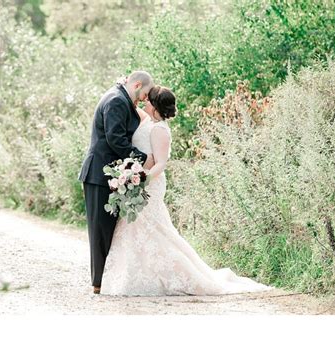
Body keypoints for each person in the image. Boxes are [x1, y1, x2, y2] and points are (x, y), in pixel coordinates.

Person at [100, 86, 273, 296]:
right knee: (138, 227)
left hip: (150, 184)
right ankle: (131, 274)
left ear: (154, 106)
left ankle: (168, 275)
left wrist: (141, 179)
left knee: (152, 228)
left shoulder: (159, 130)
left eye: (148, 100)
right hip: (140, 181)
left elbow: (161, 163)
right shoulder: (150, 122)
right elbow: (131, 104)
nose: (144, 102)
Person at [78, 71, 155, 294]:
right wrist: (143, 158)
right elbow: (116, 139)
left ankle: (106, 280)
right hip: (98, 174)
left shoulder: (121, 97)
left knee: (109, 229)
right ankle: (98, 283)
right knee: (100, 231)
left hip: (108, 174)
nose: (145, 99)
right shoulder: (116, 100)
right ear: (137, 84)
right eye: (145, 93)